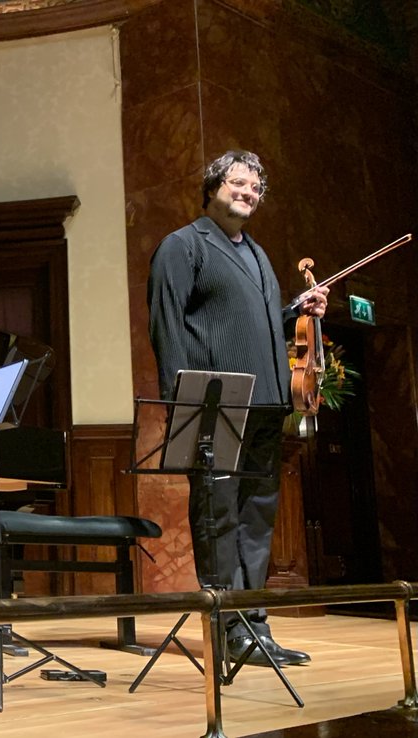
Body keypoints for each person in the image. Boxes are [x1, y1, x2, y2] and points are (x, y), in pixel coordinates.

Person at [147, 150, 326, 667]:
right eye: (238, 183)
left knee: (256, 518)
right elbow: (167, 328)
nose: (247, 192)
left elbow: (259, 321)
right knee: (218, 516)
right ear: (213, 187)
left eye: (255, 187)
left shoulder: (259, 255)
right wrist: (181, 405)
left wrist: (297, 308)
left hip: (269, 402)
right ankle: (228, 627)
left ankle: (256, 626)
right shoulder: (182, 246)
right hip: (214, 402)